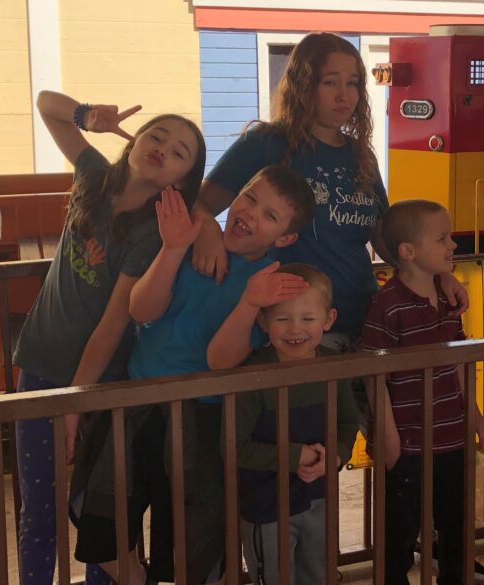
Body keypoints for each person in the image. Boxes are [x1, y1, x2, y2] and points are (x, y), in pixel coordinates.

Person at [69, 164, 316, 585]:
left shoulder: (271, 283)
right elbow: (140, 310)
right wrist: (172, 248)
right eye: (250, 198)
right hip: (138, 403)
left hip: (204, 418)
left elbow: (221, 361)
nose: (252, 214)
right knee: (101, 525)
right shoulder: (188, 243)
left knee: (197, 543)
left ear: (284, 238)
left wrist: (250, 303)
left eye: (270, 216)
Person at [12, 90, 206, 585]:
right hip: (38, 365)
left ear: (181, 180)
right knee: (40, 508)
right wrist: (86, 116)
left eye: (179, 151)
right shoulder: (93, 177)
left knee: (99, 516)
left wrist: (76, 403)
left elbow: (113, 325)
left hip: (101, 385)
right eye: (156, 135)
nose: (162, 147)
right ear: (134, 140)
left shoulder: (149, 234)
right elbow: (44, 105)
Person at [191, 32, 467, 351]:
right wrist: (209, 232)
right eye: (330, 82)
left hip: (364, 319)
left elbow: (386, 236)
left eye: (352, 84)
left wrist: (434, 276)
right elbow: (198, 203)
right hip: (294, 327)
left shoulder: (361, 154)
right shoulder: (265, 143)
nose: (344, 95)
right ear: (304, 85)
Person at [362, 199, 484, 585]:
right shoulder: (387, 306)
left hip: (452, 441)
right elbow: (375, 377)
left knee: (456, 531)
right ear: (409, 252)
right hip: (407, 446)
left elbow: (457, 363)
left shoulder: (448, 299)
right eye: (443, 239)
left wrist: (475, 416)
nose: (453, 246)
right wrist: (388, 439)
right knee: (398, 538)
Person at [231, 263, 360, 585]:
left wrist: (337, 455)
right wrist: (295, 455)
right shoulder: (252, 375)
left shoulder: (334, 366)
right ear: (263, 321)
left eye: (308, 319)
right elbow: (234, 448)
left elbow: (348, 421)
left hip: (320, 496)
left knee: (319, 573)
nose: (295, 329)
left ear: (328, 320)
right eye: (282, 319)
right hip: (265, 505)